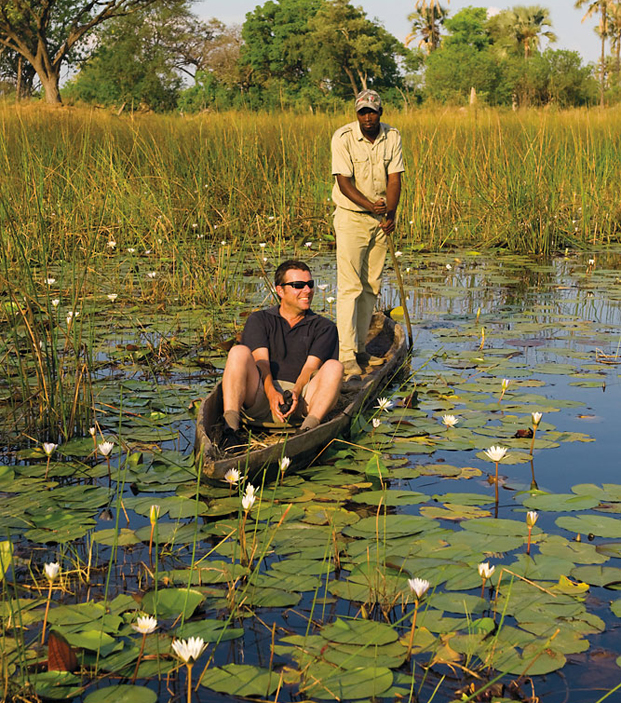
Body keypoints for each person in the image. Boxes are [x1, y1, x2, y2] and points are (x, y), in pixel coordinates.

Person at [219, 260, 343, 450]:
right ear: (280, 290)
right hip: (261, 396)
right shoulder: (259, 320)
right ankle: (231, 430)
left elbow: (310, 368)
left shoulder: (324, 327)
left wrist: (295, 392)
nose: (307, 290)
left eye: (310, 284)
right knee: (238, 352)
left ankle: (307, 432)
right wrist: (271, 392)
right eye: (298, 286)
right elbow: (262, 363)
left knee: (335, 367)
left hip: (302, 402)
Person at [331, 89, 405, 379]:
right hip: (352, 218)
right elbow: (344, 182)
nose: (368, 117)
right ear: (357, 114)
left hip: (379, 221)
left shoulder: (392, 136)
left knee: (370, 285)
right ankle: (346, 355)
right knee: (350, 287)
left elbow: (395, 177)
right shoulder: (343, 138)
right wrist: (370, 206)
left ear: (380, 112)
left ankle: (361, 348)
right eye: (363, 112)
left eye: (372, 111)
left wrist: (390, 213)